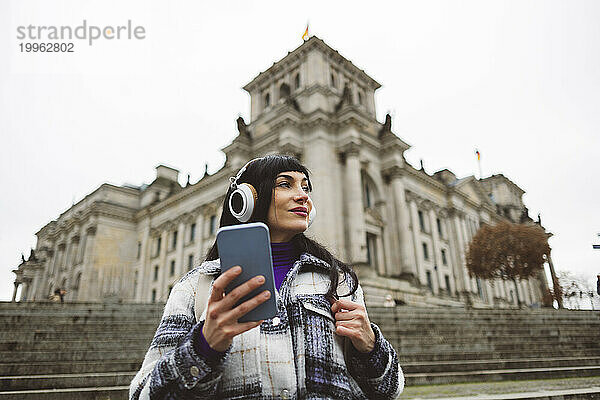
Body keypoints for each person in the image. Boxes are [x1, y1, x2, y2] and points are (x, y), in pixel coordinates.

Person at [129, 155, 404, 399]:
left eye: (305, 187)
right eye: (285, 184)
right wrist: (203, 347)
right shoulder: (195, 288)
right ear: (248, 198)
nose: (303, 196)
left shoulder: (338, 281)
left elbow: (390, 390)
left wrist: (370, 348)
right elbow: (144, 393)